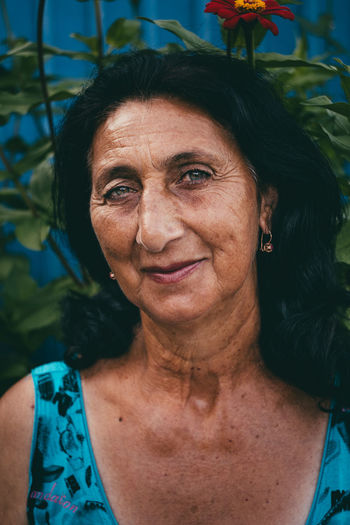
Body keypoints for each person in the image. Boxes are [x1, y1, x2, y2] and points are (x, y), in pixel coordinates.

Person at [0, 50, 349, 525]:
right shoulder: (33, 427)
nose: (154, 231)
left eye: (194, 176)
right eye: (119, 189)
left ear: (266, 203)